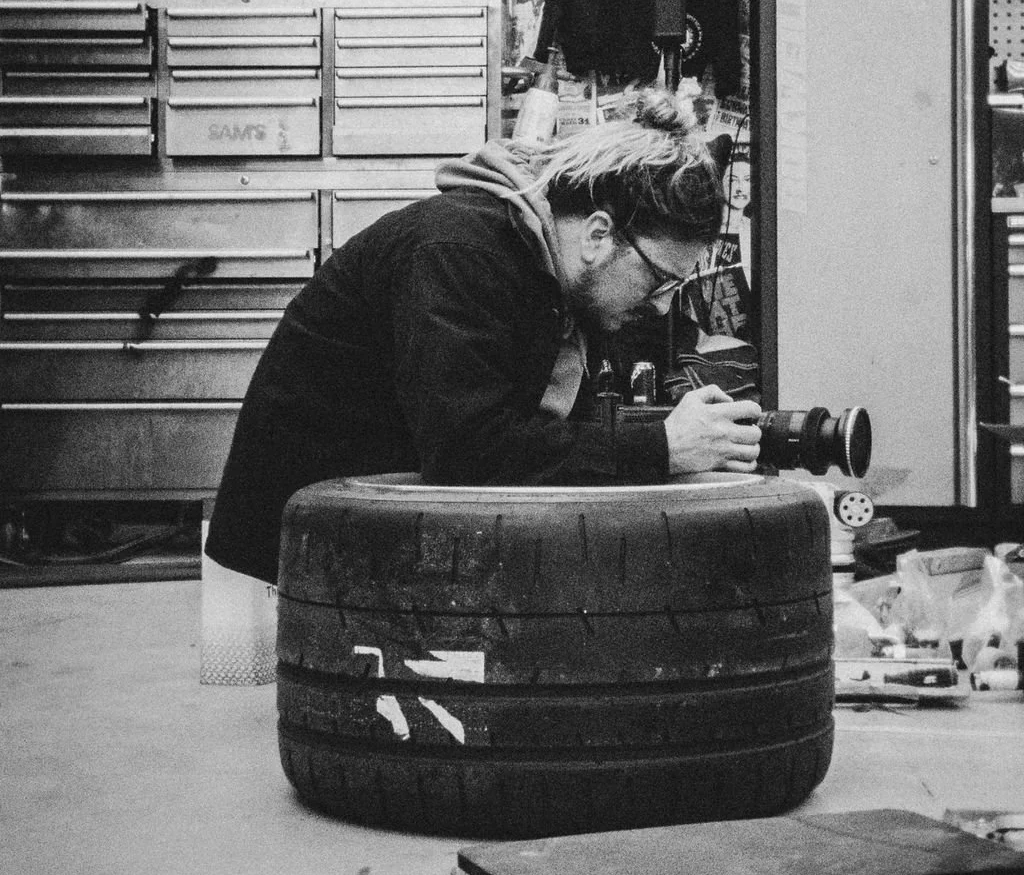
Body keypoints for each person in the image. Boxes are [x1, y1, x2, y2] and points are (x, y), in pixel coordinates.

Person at [204, 89, 763, 585]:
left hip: (389, 512)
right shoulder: (459, 253)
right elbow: (469, 452)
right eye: (660, 279)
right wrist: (661, 448)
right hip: (316, 533)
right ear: (599, 235)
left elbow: (538, 430)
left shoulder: (548, 269)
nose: (663, 303)